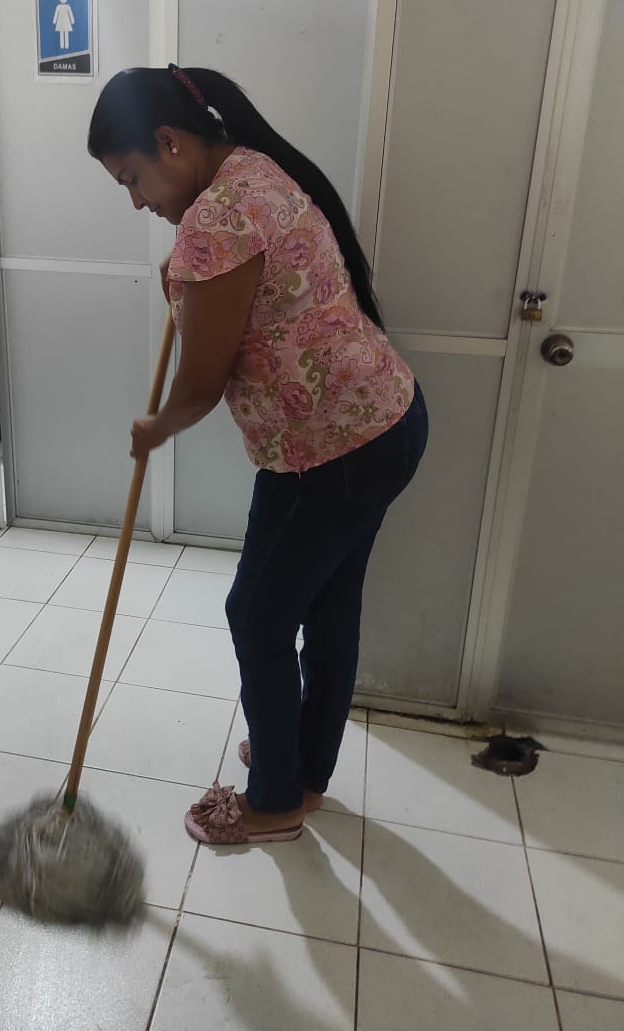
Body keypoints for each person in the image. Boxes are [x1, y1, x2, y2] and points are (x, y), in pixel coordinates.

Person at [87, 65, 428, 846]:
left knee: (258, 615)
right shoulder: (251, 168)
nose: (136, 200)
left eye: (132, 177)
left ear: (170, 142)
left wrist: (155, 428)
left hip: (333, 453)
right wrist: (184, 281)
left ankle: (275, 801)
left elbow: (200, 385)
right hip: (377, 425)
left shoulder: (215, 219)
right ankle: (304, 767)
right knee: (328, 608)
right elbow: (244, 291)